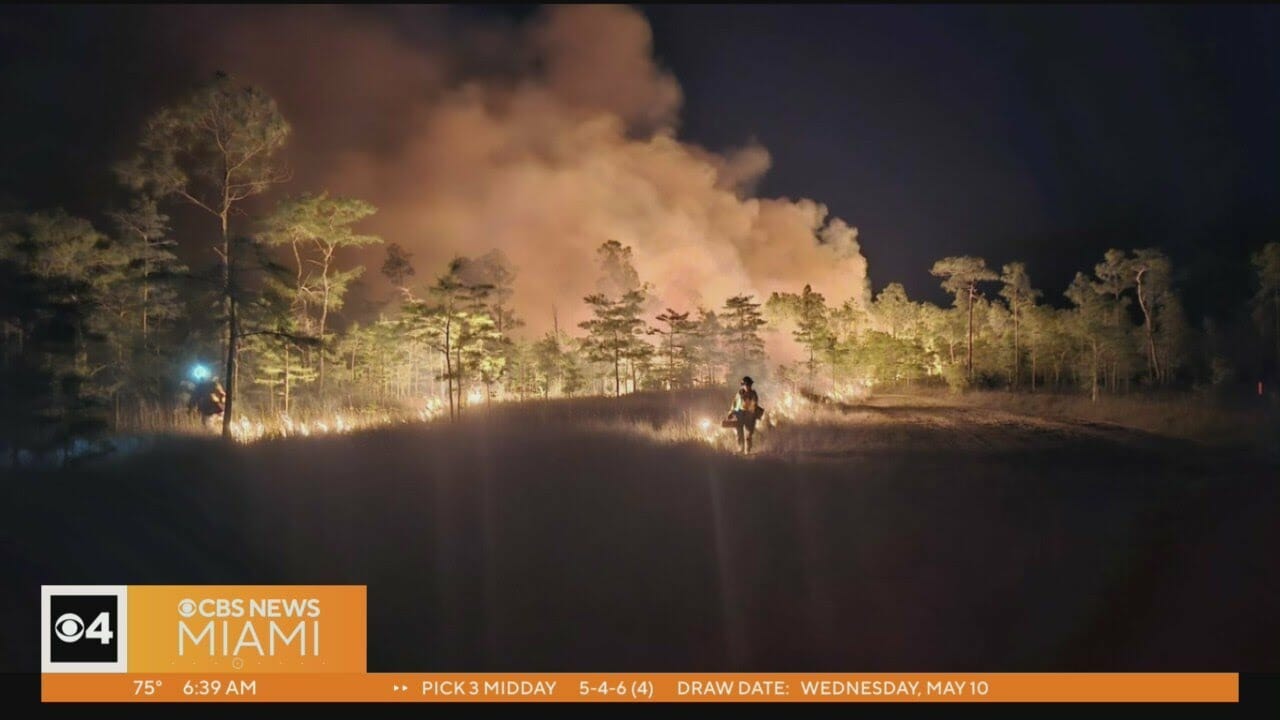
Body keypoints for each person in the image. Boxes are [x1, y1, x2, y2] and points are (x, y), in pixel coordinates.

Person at [728, 376, 762, 454]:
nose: (747, 386)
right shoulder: (739, 393)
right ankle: (741, 449)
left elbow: (754, 404)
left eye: (749, 385)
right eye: (746, 384)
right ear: (743, 385)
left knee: (748, 435)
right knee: (739, 434)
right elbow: (735, 404)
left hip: (750, 415)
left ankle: (748, 451)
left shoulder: (753, 394)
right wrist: (731, 412)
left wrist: (749, 407)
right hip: (740, 414)